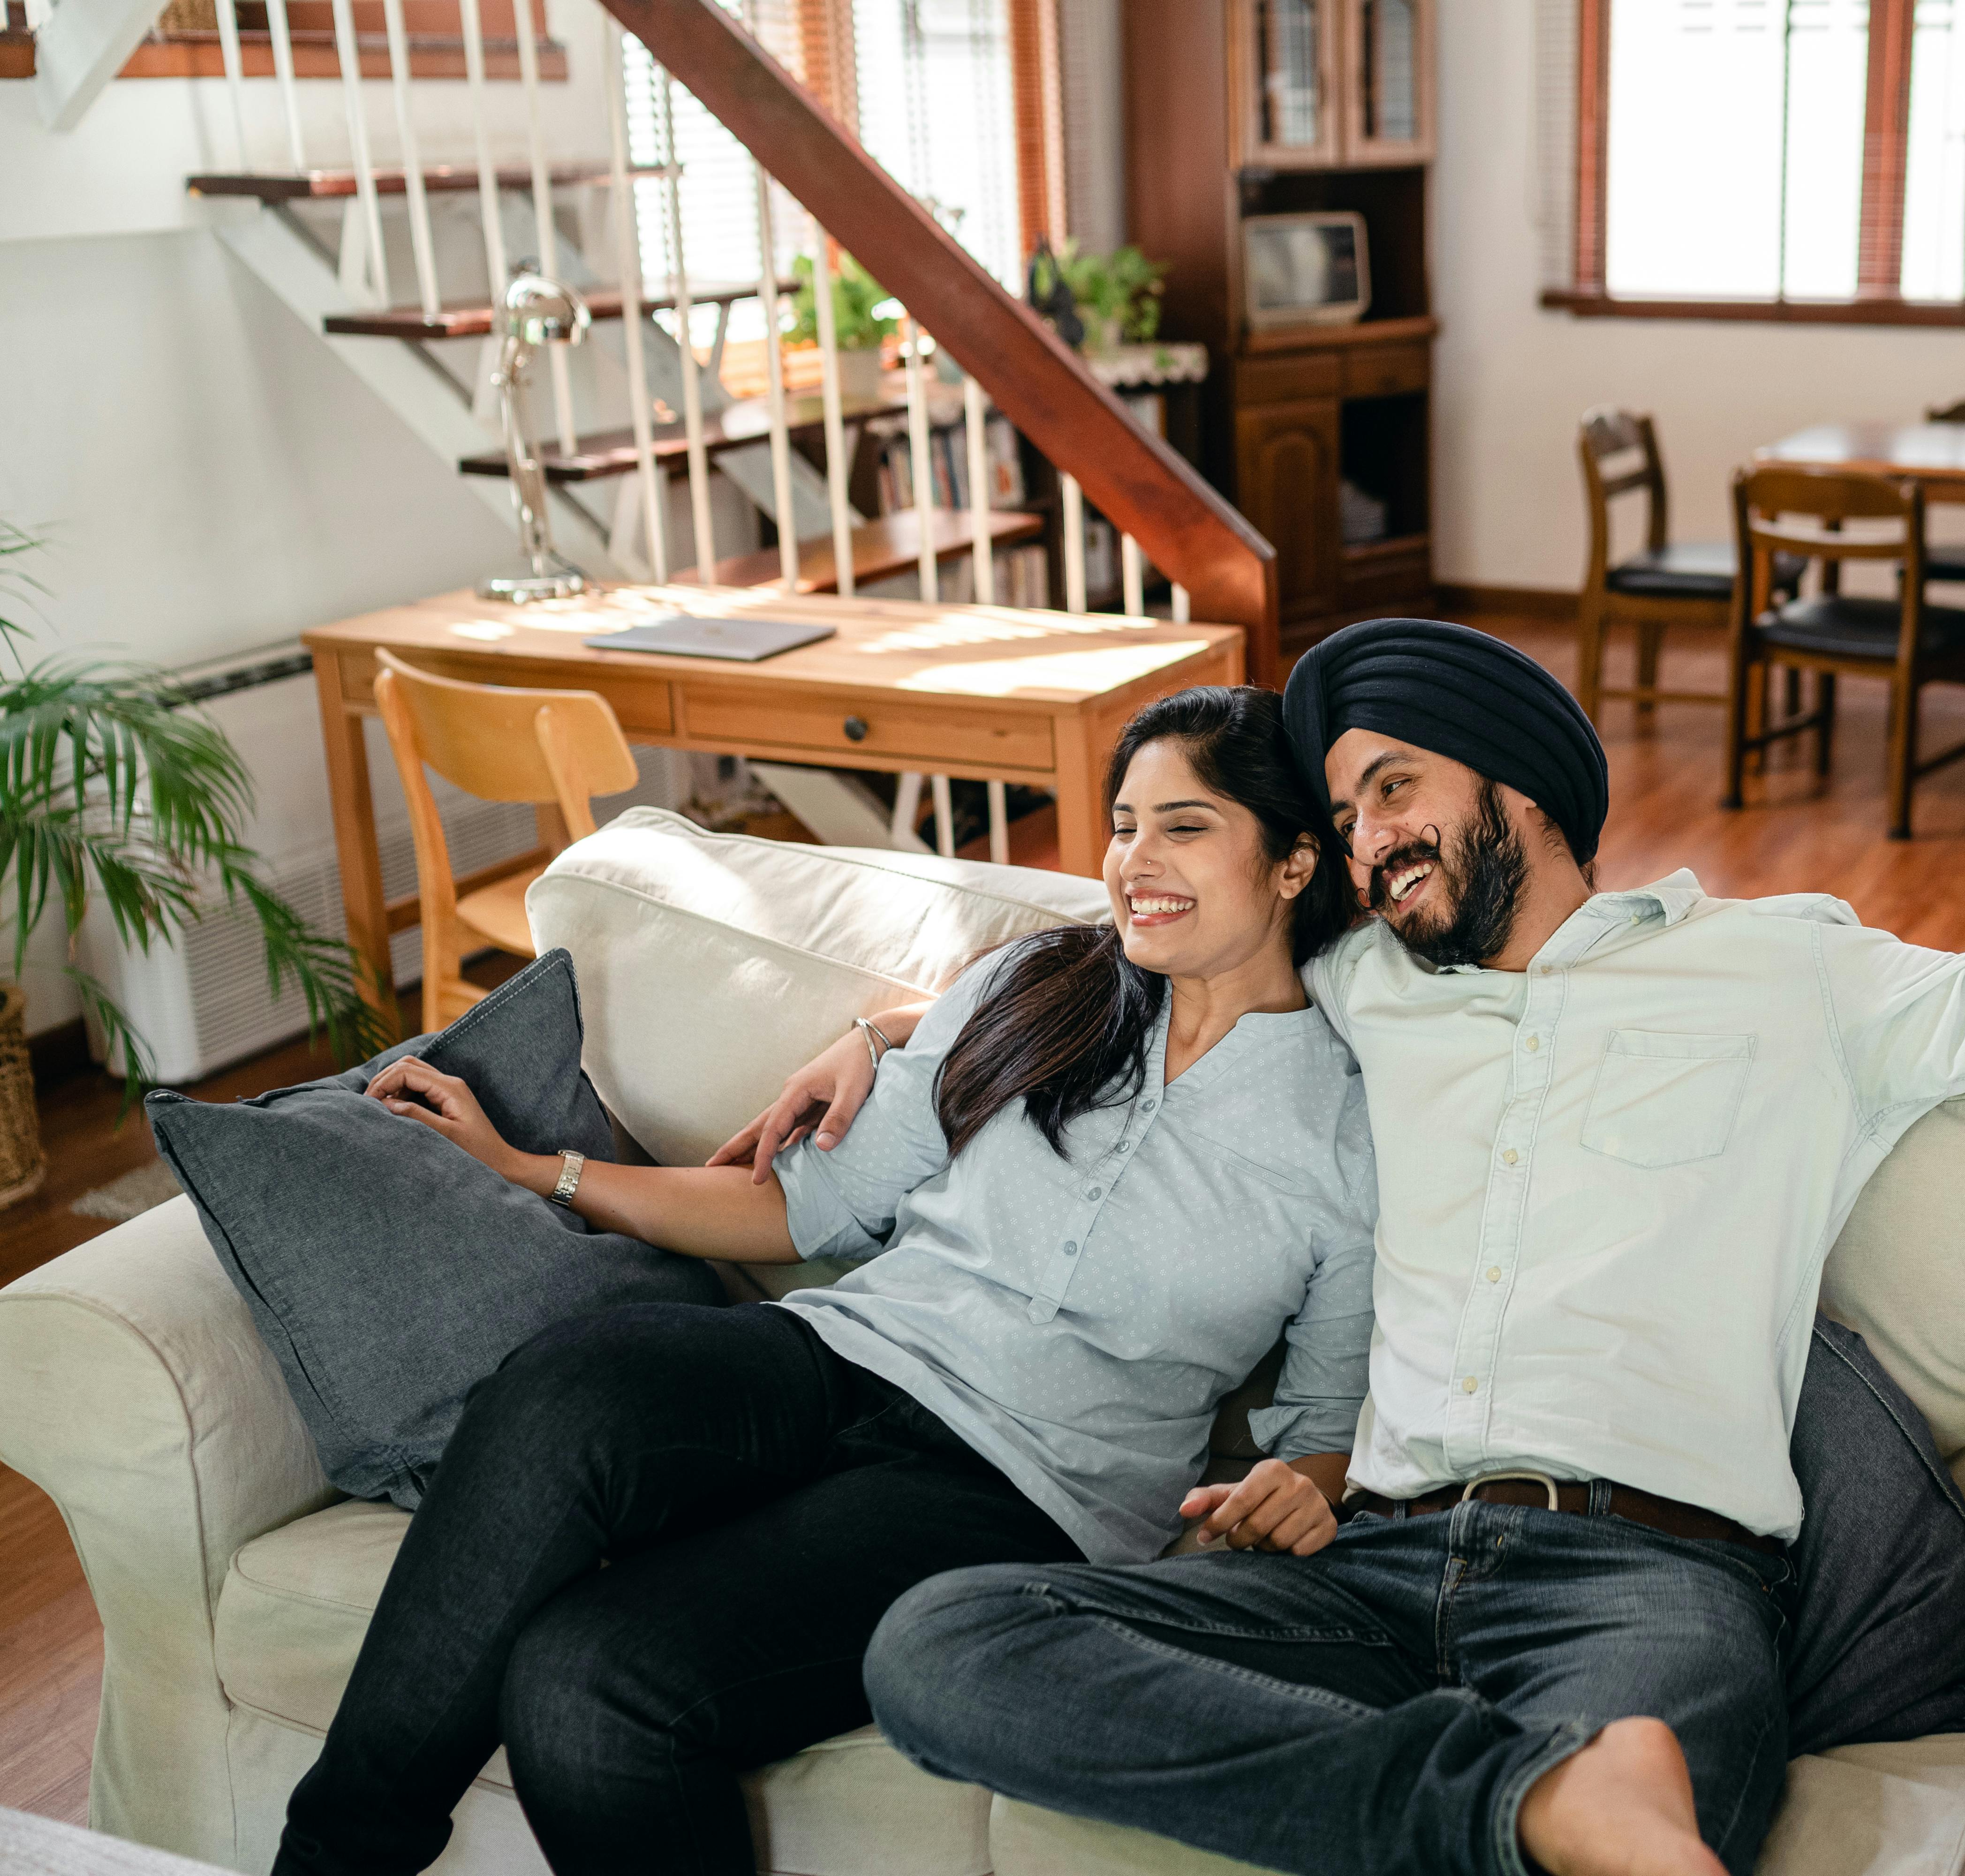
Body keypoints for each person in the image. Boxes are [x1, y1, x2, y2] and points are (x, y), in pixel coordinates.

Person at [841, 620, 1965, 1876]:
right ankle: (1516, 1804)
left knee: (1682, 1788)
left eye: (1393, 790)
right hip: (1363, 1565)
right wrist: (886, 1030)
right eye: (1346, 817)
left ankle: (1535, 1796)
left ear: (1512, 779)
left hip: (1647, 1579)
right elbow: (1154, 938)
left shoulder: (1790, 973)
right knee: (940, 1642)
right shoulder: (1365, 989)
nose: (1365, 843)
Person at [271, 687, 1378, 1876]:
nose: (1133, 862)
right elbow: (809, 1206)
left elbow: (1323, 1424)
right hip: (841, 1353)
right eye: (1121, 824)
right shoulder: (1042, 985)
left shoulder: (1352, 1125)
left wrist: (1301, 1487)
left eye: (1185, 826)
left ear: (1293, 860)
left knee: (589, 1681)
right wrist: (536, 1167)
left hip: (1021, 1485)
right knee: (558, 1394)